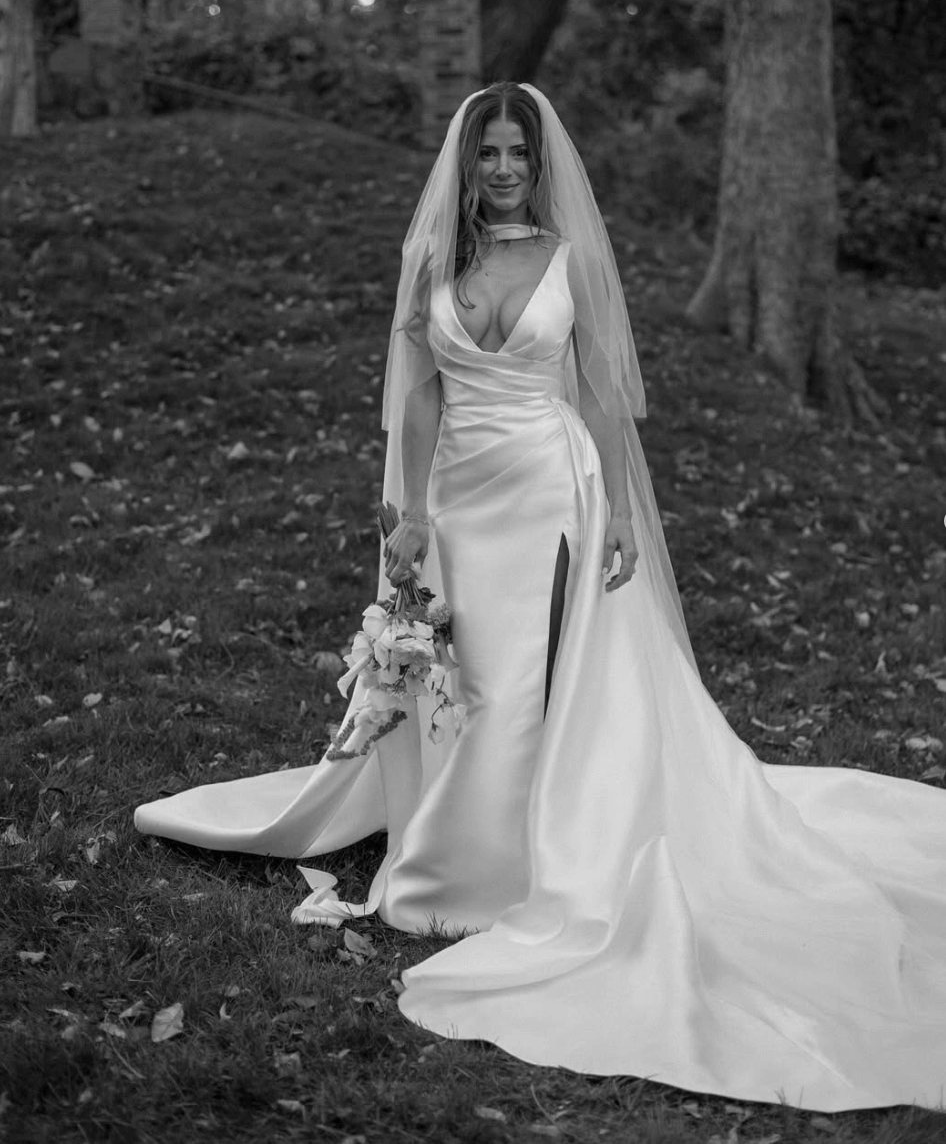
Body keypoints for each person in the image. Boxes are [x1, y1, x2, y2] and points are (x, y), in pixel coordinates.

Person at [136, 83, 946, 1116]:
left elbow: (603, 388)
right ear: (466, 166)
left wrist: (612, 514)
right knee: (461, 671)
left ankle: (500, 868)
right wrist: (413, 517)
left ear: (539, 162)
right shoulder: (430, 259)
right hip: (461, 499)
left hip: (556, 493)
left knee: (525, 679)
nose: (507, 167)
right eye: (490, 154)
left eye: (520, 151)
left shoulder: (570, 259)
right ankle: (462, 842)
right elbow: (419, 394)